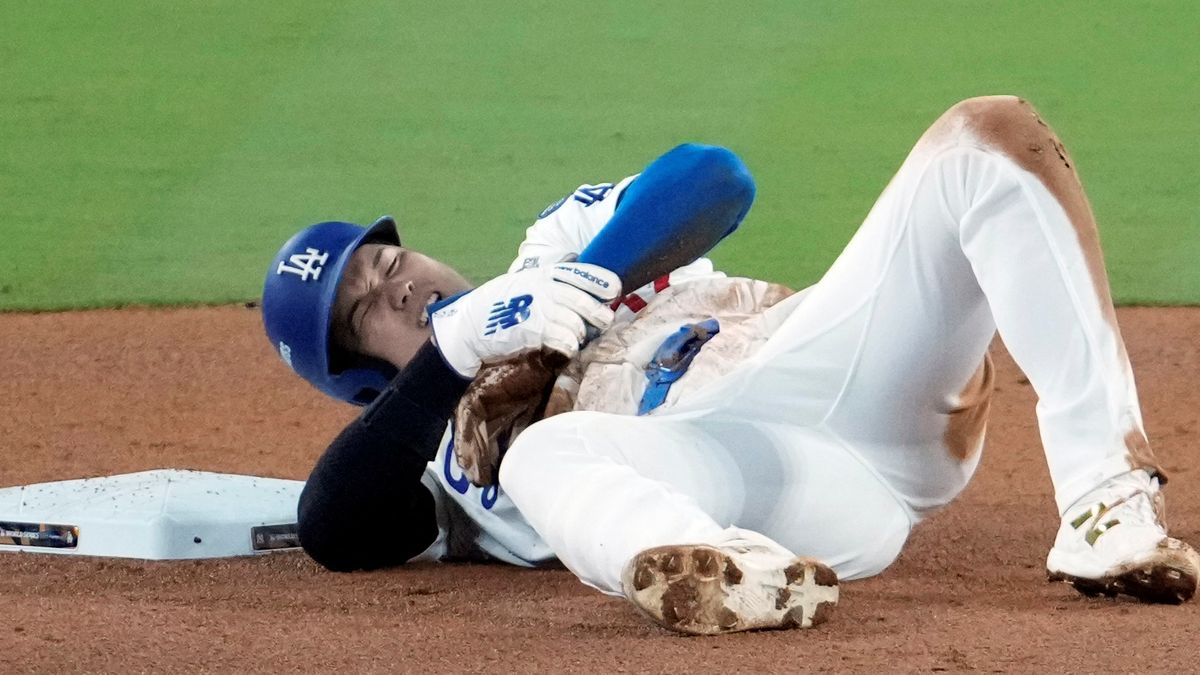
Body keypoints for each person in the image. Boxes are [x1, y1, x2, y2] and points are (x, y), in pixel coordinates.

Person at [261, 96, 1198, 636]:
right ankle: (730, 576)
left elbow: (716, 177)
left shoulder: (553, 246)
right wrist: (456, 357)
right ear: (362, 379)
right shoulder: (433, 466)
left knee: (983, 137)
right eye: (364, 311)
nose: (394, 288)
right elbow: (332, 526)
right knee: (542, 456)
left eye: (388, 263)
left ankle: (1107, 506)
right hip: (771, 495)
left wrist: (570, 290)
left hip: (837, 374)